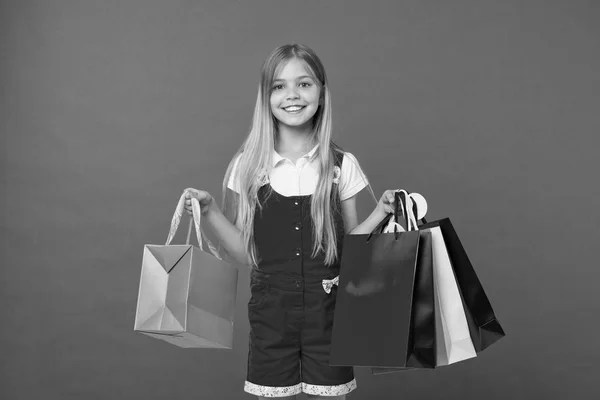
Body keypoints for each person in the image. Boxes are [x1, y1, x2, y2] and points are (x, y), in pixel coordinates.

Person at [183, 44, 400, 400]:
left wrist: (381, 213)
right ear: (265, 97)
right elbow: (245, 252)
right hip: (272, 316)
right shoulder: (248, 167)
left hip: (328, 315)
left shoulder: (341, 165)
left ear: (321, 93)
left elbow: (352, 251)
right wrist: (209, 213)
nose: (293, 95)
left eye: (304, 84)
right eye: (279, 86)